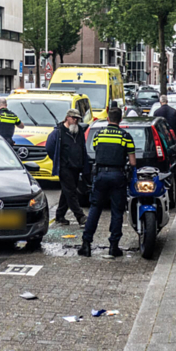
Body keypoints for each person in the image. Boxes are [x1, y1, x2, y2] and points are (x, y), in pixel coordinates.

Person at [79, 107, 136, 259]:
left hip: (100, 175)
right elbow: (132, 161)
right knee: (117, 211)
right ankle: (113, 246)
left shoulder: (99, 134)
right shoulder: (126, 136)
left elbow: (95, 149)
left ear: (108, 119)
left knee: (95, 209)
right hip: (117, 175)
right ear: (120, 119)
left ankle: (86, 244)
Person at [45, 108, 88, 227]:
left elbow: (82, 148)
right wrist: (58, 160)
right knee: (71, 192)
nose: (76, 121)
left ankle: (59, 215)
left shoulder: (79, 131)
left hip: (76, 167)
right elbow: (49, 148)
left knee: (66, 191)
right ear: (67, 117)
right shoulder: (58, 132)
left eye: (78, 119)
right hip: (65, 167)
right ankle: (80, 217)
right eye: (74, 118)